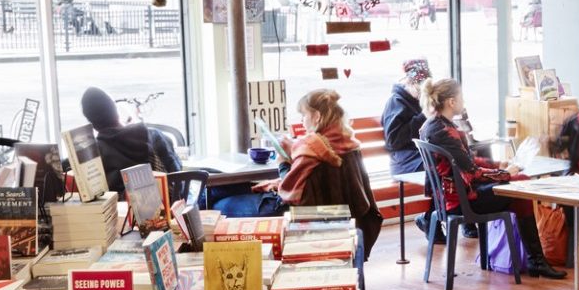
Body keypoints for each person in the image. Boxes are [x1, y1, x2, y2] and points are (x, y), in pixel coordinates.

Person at [420, 78, 565, 279]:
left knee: (518, 182)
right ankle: (536, 260)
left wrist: (498, 165)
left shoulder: (431, 126)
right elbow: (471, 172)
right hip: (462, 202)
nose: (464, 101)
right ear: (451, 102)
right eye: (461, 97)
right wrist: (507, 174)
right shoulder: (447, 132)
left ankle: (535, 260)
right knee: (520, 184)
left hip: (447, 199)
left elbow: (466, 161)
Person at [215, 90, 378, 246]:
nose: (302, 120)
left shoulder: (311, 146)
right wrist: (295, 150)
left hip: (297, 213)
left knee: (220, 206)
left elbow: (290, 191)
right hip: (334, 213)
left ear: (317, 116)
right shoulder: (347, 141)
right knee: (222, 194)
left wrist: (283, 162)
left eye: (304, 115)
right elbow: (316, 169)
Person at [80, 87, 180, 194]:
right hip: (170, 205)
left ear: (92, 124)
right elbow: (178, 174)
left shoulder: (94, 154)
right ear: (115, 110)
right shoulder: (154, 135)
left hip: (124, 209)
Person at [380, 58, 432, 174]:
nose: (423, 94)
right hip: (405, 160)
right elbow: (393, 141)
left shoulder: (420, 100)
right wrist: (423, 117)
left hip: (420, 153)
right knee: (444, 163)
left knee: (454, 158)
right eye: (420, 89)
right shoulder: (395, 102)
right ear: (409, 83)